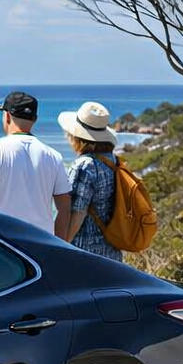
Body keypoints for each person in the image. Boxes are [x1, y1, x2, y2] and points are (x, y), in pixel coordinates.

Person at [0, 90, 71, 238]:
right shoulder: (54, 156)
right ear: (35, 119)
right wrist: (60, 246)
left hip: (4, 244)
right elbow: (65, 209)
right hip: (42, 245)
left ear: (7, 116)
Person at [59, 101, 124, 262]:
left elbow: (77, 213)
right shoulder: (113, 161)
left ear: (77, 136)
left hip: (85, 253)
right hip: (112, 252)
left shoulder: (85, 165)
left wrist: (60, 247)